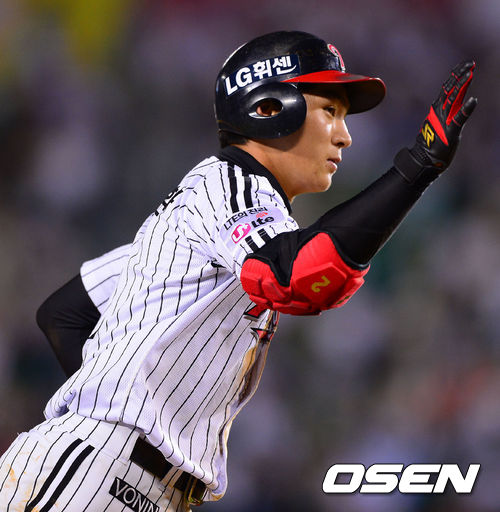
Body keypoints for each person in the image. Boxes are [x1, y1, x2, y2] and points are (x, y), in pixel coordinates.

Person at [0, 31, 476, 511]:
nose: (344, 135)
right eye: (330, 110)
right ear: (270, 108)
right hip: (100, 471)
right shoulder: (228, 182)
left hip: (131, 480)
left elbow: (66, 312)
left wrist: (127, 398)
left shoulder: (206, 222)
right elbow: (300, 275)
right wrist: (417, 165)